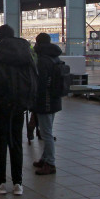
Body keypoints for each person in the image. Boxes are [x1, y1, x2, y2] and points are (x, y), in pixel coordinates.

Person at [0, 24, 38, 195]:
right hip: (19, 106)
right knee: (16, 142)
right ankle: (18, 184)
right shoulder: (26, 58)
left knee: (0, 143)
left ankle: (0, 183)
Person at [31, 32, 63, 175]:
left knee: (46, 133)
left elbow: (40, 83)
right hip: (55, 98)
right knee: (47, 130)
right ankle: (44, 158)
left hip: (45, 100)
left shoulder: (43, 60)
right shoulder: (55, 57)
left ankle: (50, 163)